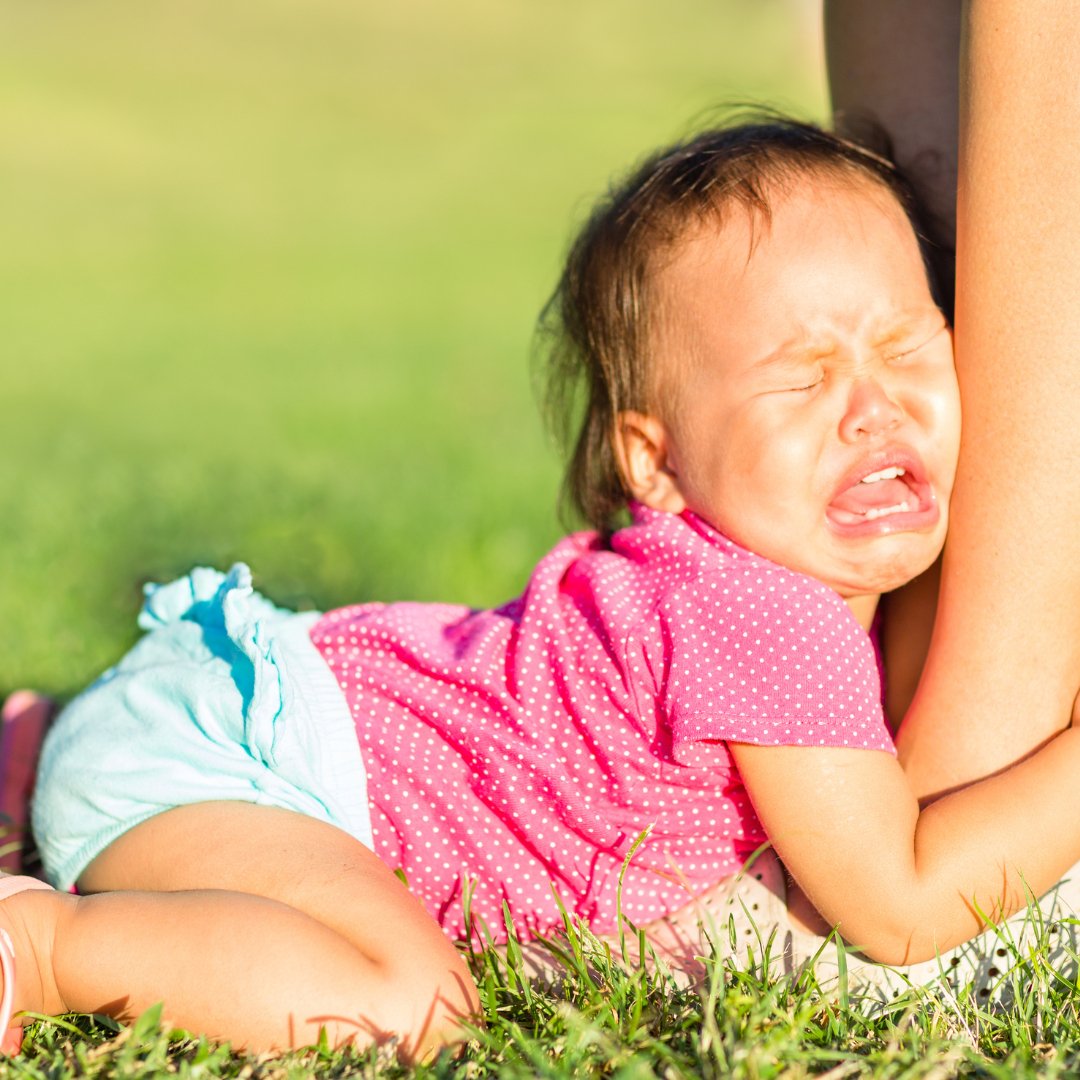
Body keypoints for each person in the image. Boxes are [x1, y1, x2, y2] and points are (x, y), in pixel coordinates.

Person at [1, 116, 1077, 1059]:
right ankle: (40, 946)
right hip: (242, 764)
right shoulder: (763, 615)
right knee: (402, 1010)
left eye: (906, 346)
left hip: (260, 702)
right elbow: (900, 903)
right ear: (655, 463)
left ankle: (46, 754)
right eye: (803, 378)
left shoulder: (761, 571)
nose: (873, 408)